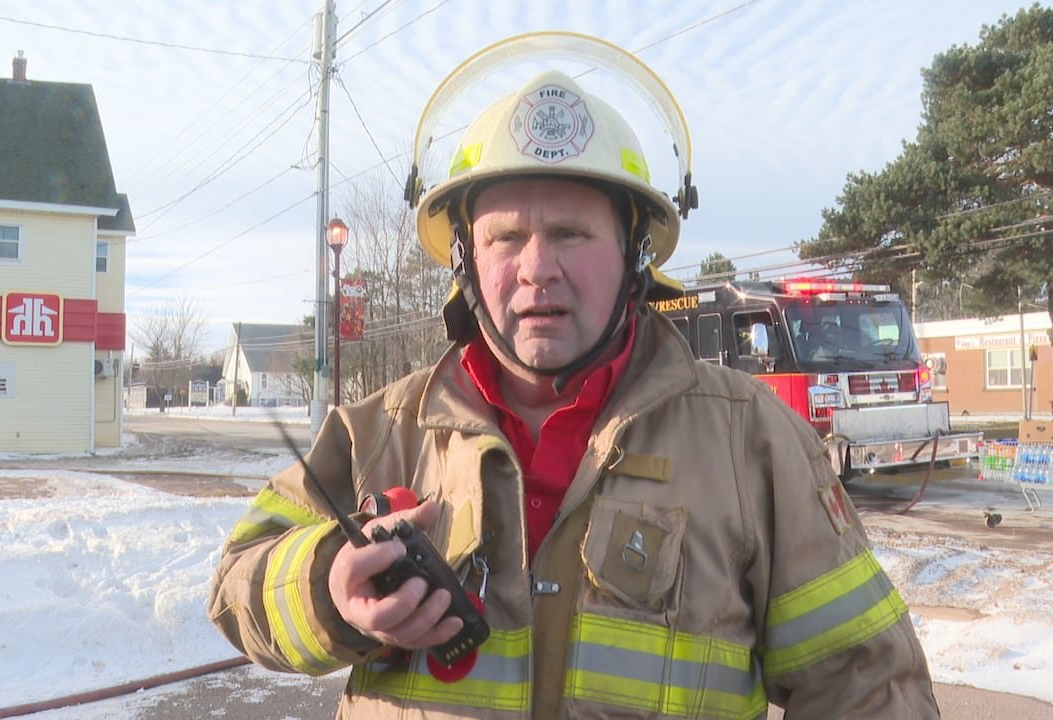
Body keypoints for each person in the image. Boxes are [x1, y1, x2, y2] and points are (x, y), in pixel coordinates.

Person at [209, 36, 939, 719]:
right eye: (505, 238)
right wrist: (328, 589)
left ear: (633, 254)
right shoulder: (380, 434)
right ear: (464, 260)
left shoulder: (750, 442)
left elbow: (871, 687)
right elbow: (235, 584)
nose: (536, 268)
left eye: (570, 233)